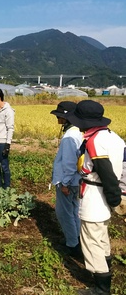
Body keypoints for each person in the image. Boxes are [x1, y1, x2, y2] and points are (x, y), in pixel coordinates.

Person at [65, 100, 124, 295]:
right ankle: (106, 269)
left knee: (91, 240)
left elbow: (105, 172)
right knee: (101, 236)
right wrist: (118, 196)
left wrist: (115, 198)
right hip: (104, 196)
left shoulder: (94, 141)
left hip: (95, 195)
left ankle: (101, 287)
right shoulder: (113, 137)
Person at [50, 101, 83, 257]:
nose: (57, 119)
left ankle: (72, 245)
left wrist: (64, 183)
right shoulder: (78, 132)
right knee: (74, 211)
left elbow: (69, 164)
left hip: (68, 181)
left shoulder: (70, 136)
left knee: (64, 213)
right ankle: (77, 239)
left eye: (60, 116)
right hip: (77, 181)